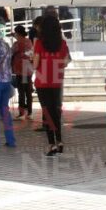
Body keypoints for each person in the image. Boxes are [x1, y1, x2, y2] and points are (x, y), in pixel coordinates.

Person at [34, 15, 71, 156]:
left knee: (47, 113)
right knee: (56, 112)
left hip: (42, 83)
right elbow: (66, 61)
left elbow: (36, 64)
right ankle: (60, 141)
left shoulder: (39, 43)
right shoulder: (62, 43)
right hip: (57, 81)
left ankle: (51, 145)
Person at [11, 25, 34, 120]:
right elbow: (30, 53)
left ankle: (21, 113)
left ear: (17, 33)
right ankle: (29, 112)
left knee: (21, 91)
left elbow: (11, 52)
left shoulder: (17, 43)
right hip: (28, 68)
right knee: (28, 91)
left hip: (21, 70)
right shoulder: (29, 41)